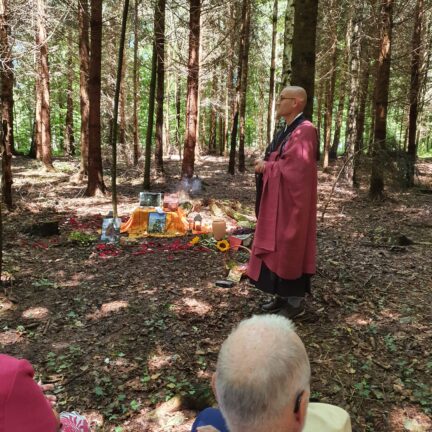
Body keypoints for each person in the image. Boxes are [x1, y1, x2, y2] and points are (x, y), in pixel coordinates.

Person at [191, 315, 351, 432]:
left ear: (216, 390)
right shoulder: (335, 421)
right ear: (301, 410)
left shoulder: (204, 423)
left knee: (208, 416)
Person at [248, 86, 318, 318]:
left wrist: (267, 167)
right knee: (277, 246)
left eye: (282, 99)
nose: (278, 102)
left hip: (292, 203)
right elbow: (277, 157)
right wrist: (266, 162)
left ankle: (295, 303)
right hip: (279, 200)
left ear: (296, 102)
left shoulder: (305, 130)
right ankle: (280, 297)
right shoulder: (287, 129)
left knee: (291, 245)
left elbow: (296, 170)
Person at [0, 353, 89, 431]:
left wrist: (26, 392)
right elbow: (54, 422)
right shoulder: (12, 371)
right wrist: (39, 404)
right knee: (76, 421)